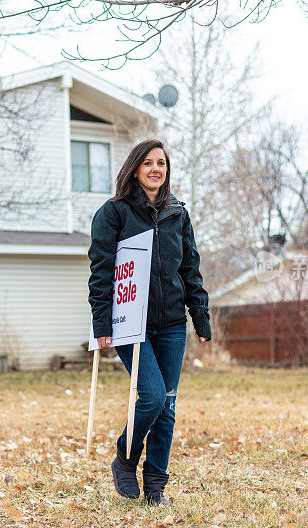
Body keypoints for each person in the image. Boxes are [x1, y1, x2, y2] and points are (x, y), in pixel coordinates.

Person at [88, 139, 210, 506]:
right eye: (148, 163)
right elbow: (101, 271)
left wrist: (200, 317)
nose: (156, 169)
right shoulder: (114, 213)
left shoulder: (178, 214)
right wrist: (102, 324)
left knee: (167, 406)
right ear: (135, 168)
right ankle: (125, 458)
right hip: (129, 322)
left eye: (161, 163)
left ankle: (156, 487)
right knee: (153, 396)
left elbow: (190, 268)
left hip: (172, 323)